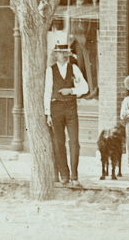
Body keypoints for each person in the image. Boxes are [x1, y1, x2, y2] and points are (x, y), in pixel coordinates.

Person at [45, 36, 89, 187]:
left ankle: (74, 176)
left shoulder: (74, 69)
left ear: (68, 54)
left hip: (70, 108)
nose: (63, 55)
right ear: (55, 54)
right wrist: (48, 113)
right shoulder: (50, 71)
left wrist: (71, 90)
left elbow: (85, 88)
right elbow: (47, 92)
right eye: (60, 52)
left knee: (74, 142)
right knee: (59, 143)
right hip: (56, 108)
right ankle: (64, 174)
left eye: (65, 52)